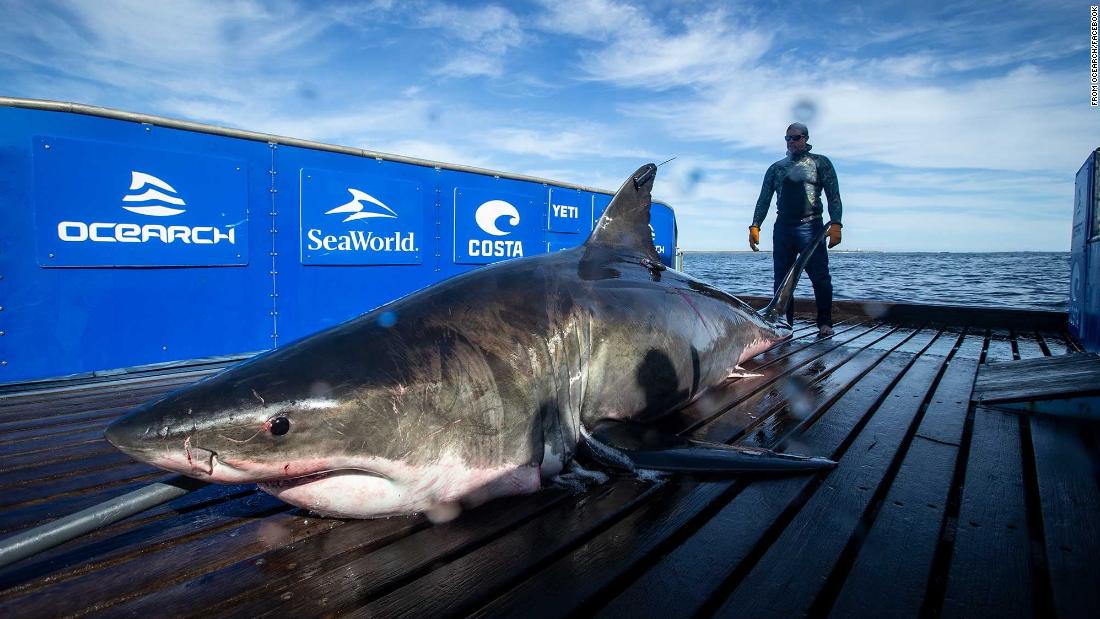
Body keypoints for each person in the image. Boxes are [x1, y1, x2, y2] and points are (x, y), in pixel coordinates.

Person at [749, 122, 843, 336]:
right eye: (787, 138)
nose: (791, 142)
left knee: (820, 277)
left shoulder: (820, 163)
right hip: (783, 228)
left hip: (811, 227)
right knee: (781, 280)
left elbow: (833, 195)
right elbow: (764, 199)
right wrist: (755, 225)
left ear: (806, 138)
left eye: (796, 137)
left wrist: (836, 222)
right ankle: (784, 325)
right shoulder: (776, 168)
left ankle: (825, 323)